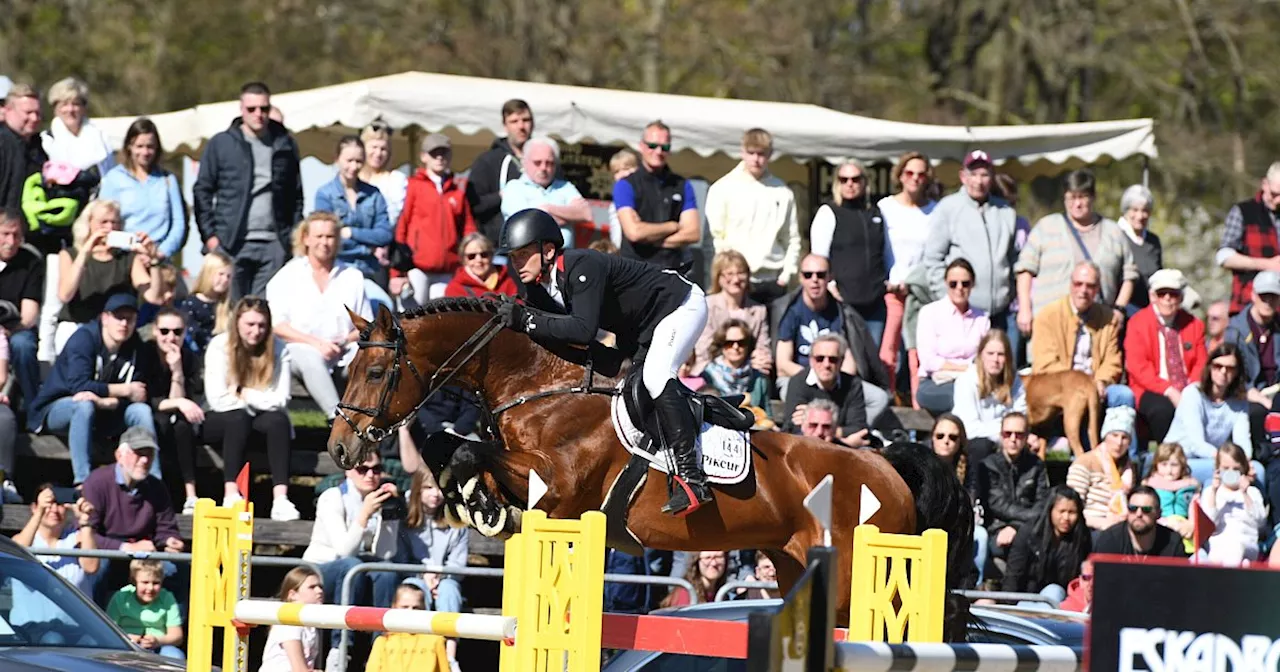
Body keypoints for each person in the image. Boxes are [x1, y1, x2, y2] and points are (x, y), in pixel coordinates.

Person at [500, 208, 738, 516]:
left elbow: (583, 330)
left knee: (655, 377)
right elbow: (549, 332)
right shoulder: (537, 288)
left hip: (679, 306)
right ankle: (709, 413)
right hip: (640, 328)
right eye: (513, 256)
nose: (515, 263)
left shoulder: (580, 265)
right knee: (631, 392)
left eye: (522, 254)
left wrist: (527, 320)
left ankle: (692, 479)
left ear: (548, 250)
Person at [28, 293, 158, 485]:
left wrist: (105, 401)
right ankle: (83, 482)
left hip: (105, 411)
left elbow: (138, 394)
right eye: (118, 317)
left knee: (142, 411)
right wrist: (123, 390)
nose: (124, 324)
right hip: (59, 408)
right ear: (105, 318)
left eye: (129, 319)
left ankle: (154, 481)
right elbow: (78, 385)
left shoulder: (135, 346)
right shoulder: (85, 338)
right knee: (84, 405)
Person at [193, 82, 304, 298]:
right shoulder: (222, 144)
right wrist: (210, 236)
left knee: (265, 313)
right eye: (251, 109)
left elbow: (296, 195)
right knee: (231, 313)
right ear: (241, 109)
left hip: (275, 243)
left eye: (264, 108)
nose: (258, 114)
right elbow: (202, 191)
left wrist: (292, 237)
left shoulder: (285, 144)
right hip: (232, 243)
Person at [265, 212, 372, 418]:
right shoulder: (288, 275)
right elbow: (278, 325)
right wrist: (316, 343)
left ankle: (379, 432)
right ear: (306, 238)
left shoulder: (352, 277)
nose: (324, 242)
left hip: (343, 350)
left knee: (371, 363)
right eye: (319, 236)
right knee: (309, 358)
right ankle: (339, 420)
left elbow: (365, 326)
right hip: (300, 349)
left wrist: (342, 342)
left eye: (330, 237)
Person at [204, 297, 298, 520]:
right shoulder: (219, 346)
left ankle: (281, 499)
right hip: (223, 420)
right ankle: (230, 493)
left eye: (262, 325)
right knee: (238, 418)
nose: (256, 331)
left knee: (279, 421)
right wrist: (258, 400)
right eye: (250, 324)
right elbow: (217, 399)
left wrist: (244, 393)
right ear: (237, 322)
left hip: (260, 418)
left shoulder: (279, 349)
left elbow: (281, 400)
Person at [772, 253, 892, 423]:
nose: (815, 280)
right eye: (808, 275)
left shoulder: (840, 311)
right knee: (791, 394)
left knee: (879, 398)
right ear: (800, 278)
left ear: (830, 277)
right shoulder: (790, 310)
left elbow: (849, 363)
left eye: (820, 275)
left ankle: (841, 431)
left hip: (835, 378)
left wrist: (830, 379)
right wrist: (817, 377)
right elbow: (783, 365)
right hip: (798, 378)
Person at [922, 150, 1020, 354]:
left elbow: (1014, 260)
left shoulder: (1006, 212)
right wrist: (950, 297)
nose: (979, 181)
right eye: (973, 174)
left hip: (1001, 312)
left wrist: (1011, 293)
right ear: (963, 177)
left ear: (992, 177)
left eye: (984, 174)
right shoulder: (948, 208)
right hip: (965, 313)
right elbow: (933, 259)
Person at [1016, 169, 1137, 322]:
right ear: (1064, 198)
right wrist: (1025, 309)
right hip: (1049, 322)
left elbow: (1129, 275)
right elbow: (1025, 270)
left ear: (1093, 197)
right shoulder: (1046, 227)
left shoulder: (1114, 232)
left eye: (1083, 197)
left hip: (1098, 324)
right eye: (1072, 197)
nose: (1077, 204)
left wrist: (1119, 309)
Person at [54, 199, 168, 352]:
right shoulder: (70, 255)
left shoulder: (128, 258)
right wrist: (86, 252)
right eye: (104, 222)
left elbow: (154, 297)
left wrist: (154, 262)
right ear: (89, 223)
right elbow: (65, 295)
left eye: (115, 223)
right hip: (78, 325)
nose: (110, 227)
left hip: (117, 330)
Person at [302, 450, 404, 621]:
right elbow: (345, 552)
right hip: (319, 569)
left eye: (376, 469)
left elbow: (384, 554)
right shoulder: (332, 497)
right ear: (348, 470)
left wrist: (390, 512)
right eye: (362, 469)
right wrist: (364, 514)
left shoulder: (380, 497)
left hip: (357, 566)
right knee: (351, 565)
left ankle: (380, 642)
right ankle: (340, 643)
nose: (370, 475)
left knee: (387, 573)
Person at [705, 128, 799, 304]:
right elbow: (716, 237)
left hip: (773, 280)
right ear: (742, 152)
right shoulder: (723, 188)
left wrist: (786, 275)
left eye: (761, 154)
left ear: (770, 154)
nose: (756, 159)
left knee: (773, 332)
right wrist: (727, 273)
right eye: (751, 153)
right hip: (736, 280)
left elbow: (791, 238)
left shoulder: (782, 191)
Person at [1030, 261, 1134, 414]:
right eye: (1078, 284)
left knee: (1124, 396)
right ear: (1070, 285)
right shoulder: (1048, 316)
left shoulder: (1108, 318)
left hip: (1097, 385)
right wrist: (1082, 384)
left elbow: (1112, 361)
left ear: (1097, 289)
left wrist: (1100, 381)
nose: (1083, 290)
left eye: (1090, 286)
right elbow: (1044, 363)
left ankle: (1117, 438)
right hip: (1059, 387)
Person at [810, 158, 889, 345]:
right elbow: (819, 257)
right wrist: (830, 287)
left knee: (873, 363)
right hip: (842, 303)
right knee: (845, 359)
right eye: (844, 180)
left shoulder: (876, 213)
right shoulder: (828, 212)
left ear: (864, 181)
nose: (850, 184)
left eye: (855, 179)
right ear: (837, 183)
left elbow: (885, 252)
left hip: (875, 303)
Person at [1124, 268, 1207, 443]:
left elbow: (1201, 363)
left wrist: (1190, 390)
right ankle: (1168, 458)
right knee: (1162, 409)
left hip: (1189, 388)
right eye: (1162, 294)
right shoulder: (1138, 323)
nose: (1168, 299)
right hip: (1151, 388)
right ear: (1153, 296)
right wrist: (1168, 390)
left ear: (1181, 297)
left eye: (1173, 294)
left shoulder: (1194, 325)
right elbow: (1137, 367)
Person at [393, 133, 476, 305]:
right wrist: (397, 273)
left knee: (442, 323)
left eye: (443, 153)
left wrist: (470, 263)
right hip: (416, 268)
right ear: (423, 156)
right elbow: (402, 227)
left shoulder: (457, 190)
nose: (439, 157)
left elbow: (469, 230)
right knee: (411, 322)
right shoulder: (413, 185)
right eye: (434, 153)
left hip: (448, 270)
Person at [10, 483, 100, 635]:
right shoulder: (26, 539)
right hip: (30, 631)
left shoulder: (77, 538)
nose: (53, 510)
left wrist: (85, 521)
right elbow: (15, 554)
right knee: (52, 639)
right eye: (48, 504)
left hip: (76, 631)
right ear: (34, 507)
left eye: (58, 504)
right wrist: (39, 513)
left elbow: (91, 567)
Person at [313, 135, 394, 303]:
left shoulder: (374, 194)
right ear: (337, 160)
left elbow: (385, 234)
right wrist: (368, 248)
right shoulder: (325, 194)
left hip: (370, 270)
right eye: (349, 160)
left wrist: (350, 232)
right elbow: (327, 238)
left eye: (358, 161)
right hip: (338, 268)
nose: (353, 166)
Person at [138, 307, 203, 514]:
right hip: (147, 412)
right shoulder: (144, 354)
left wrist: (177, 371)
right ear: (155, 331)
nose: (171, 337)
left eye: (177, 332)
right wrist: (179, 403)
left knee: (183, 426)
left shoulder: (189, 358)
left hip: (175, 416)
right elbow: (146, 399)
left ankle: (191, 495)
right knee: (162, 422)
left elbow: (182, 400)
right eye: (165, 331)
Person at [402, 464, 468, 664]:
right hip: (412, 576)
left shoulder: (457, 521)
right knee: (416, 590)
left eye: (440, 488)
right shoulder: (405, 519)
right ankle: (415, 653)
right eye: (428, 488)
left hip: (444, 579)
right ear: (417, 490)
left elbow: (458, 563)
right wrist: (424, 577)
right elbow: (400, 559)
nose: (436, 494)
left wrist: (440, 578)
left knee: (449, 590)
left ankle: (449, 657)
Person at [877, 152, 936, 372]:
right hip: (891, 290)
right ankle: (887, 397)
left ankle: (917, 402)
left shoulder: (935, 211)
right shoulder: (885, 207)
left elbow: (934, 255)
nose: (915, 178)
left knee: (918, 353)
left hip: (920, 292)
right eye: (909, 173)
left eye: (921, 174)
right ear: (900, 176)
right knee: (888, 351)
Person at [613, 121, 701, 271]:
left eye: (664, 147)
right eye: (652, 146)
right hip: (634, 273)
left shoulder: (682, 185)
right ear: (641, 146)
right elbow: (634, 232)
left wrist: (650, 239)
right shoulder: (626, 185)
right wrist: (672, 226)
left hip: (672, 273)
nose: (658, 151)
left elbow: (693, 233)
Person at [1165, 343, 1255, 485]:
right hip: (1180, 460)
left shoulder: (1239, 402)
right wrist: (1227, 460)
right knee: (1220, 474)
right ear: (1210, 367)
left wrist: (1245, 461)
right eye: (1218, 366)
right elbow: (1196, 444)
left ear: (1237, 372)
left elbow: (1243, 440)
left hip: (1216, 460)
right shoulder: (1193, 394)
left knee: (1258, 471)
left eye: (1230, 368)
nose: (1223, 372)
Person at [98, 118, 186, 259]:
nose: (145, 152)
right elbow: (102, 221)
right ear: (129, 147)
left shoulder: (167, 180)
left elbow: (178, 223)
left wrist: (160, 253)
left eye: (150, 146)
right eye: (139, 146)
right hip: (123, 257)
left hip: (158, 256)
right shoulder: (114, 179)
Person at [915, 259, 990, 414]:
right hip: (935, 383)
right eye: (953, 284)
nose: (959, 288)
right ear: (946, 283)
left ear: (973, 284)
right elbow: (929, 361)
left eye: (965, 283)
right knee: (965, 396)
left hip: (973, 382)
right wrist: (965, 368)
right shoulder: (930, 313)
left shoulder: (982, 318)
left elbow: (985, 359)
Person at [1002, 487, 1089, 605]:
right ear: (1051, 510)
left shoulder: (1082, 538)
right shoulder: (1029, 533)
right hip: (1025, 599)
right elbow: (1014, 574)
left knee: (1054, 591)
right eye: (1061, 511)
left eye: (1071, 512)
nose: (1066, 518)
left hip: (1058, 601)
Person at [499, 136, 591, 249]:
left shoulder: (565, 187)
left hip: (564, 258)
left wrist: (548, 209)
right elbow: (529, 224)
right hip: (528, 259)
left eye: (550, 163)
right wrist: (568, 216)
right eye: (537, 162)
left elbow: (586, 214)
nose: (543, 168)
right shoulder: (514, 188)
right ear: (524, 162)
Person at [980, 412, 1050, 560]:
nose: (1013, 439)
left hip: (1029, 527)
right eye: (1008, 433)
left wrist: (1017, 526)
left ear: (1026, 437)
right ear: (1001, 435)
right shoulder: (988, 465)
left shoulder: (1037, 465)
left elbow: (1042, 502)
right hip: (997, 527)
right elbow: (998, 504)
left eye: (1019, 434)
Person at [780, 333, 869, 448]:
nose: (826, 364)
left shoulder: (853, 384)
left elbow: (858, 428)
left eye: (833, 359)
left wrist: (814, 423)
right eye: (820, 358)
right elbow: (793, 426)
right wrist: (841, 438)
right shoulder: (798, 382)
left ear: (841, 362)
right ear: (811, 360)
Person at [692, 250, 772, 377]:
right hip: (711, 373)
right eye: (729, 274)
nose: (736, 279)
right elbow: (704, 349)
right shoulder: (707, 306)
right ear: (718, 278)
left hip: (748, 373)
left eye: (741, 273)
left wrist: (760, 359)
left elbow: (763, 347)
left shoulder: (759, 310)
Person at [465, 99, 534, 244]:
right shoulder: (488, 161)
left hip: (536, 243)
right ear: (505, 125)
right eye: (514, 121)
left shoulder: (545, 159)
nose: (521, 126)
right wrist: (502, 195)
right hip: (498, 248)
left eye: (526, 120)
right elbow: (474, 204)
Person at [1216, 162, 1280, 315]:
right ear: (1264, 184)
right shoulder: (1243, 212)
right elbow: (1224, 257)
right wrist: (1267, 264)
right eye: (1275, 194)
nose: (1279, 200)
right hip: (1248, 305)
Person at [952, 330, 1028, 451]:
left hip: (1008, 440)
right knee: (982, 446)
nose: (995, 359)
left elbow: (1021, 418)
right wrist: (1003, 431)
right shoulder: (966, 381)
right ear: (981, 355)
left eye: (1001, 354)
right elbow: (970, 429)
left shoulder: (1015, 381)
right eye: (990, 353)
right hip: (973, 444)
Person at [1067, 406, 1139, 530]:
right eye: (1114, 435)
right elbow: (1072, 506)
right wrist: (1102, 523)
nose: (1119, 443)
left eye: (1124, 437)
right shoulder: (1086, 462)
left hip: (1122, 526)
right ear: (1105, 436)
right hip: (1090, 527)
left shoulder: (1129, 469)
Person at [0, 208, 44, 406]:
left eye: (16, 235)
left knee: (23, 346)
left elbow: (29, 316)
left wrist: (7, 331)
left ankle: (33, 408)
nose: (11, 241)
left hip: (16, 327)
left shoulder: (31, 262)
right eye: (5, 234)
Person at [1201, 442, 1268, 566]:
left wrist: (1245, 493)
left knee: (1235, 547)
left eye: (1236, 469)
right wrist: (1214, 493)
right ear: (1218, 469)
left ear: (1243, 469)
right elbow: (1209, 525)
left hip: (1246, 543)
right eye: (1226, 468)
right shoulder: (1210, 492)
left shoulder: (1252, 492)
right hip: (1218, 546)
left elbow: (1261, 522)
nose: (1231, 472)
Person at [106, 559, 184, 660]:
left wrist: (157, 641)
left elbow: (177, 636)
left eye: (156, 583)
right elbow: (108, 630)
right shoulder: (121, 597)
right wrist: (126, 638)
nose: (150, 588)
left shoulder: (167, 598)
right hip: (125, 645)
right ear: (134, 581)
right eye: (145, 582)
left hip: (159, 646)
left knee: (176, 656)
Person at [366, 584, 451, 672]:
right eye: (405, 607)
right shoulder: (383, 642)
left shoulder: (435, 641)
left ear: (424, 609)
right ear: (394, 607)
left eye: (416, 608)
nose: (410, 611)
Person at [39, 77, 115, 176]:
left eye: (76, 104)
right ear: (55, 109)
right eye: (64, 104)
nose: (70, 109)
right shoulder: (46, 140)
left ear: (84, 108)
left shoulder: (100, 136)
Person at [258, 567, 325, 672]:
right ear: (293, 595)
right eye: (312, 587)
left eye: (320, 587)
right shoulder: (289, 622)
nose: (319, 591)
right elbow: (299, 669)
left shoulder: (310, 624)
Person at [1092, 486, 1190, 557]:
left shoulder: (1172, 542)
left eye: (1146, 510)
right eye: (1133, 508)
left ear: (1158, 514)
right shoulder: (1110, 539)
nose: (1138, 514)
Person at [701, 319, 770, 408]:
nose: (735, 347)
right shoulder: (707, 376)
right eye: (729, 343)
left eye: (741, 343)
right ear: (721, 344)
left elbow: (767, 414)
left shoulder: (759, 379)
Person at [1116, 184, 1162, 315]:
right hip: (1122, 311)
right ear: (1125, 210)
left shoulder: (1153, 242)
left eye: (1145, 210)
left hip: (1150, 311)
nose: (1140, 216)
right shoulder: (1116, 237)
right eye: (1135, 210)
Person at [177, 249, 233, 353]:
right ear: (208, 273)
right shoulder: (191, 304)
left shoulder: (229, 305)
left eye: (228, 276)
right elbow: (193, 336)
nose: (225, 280)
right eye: (221, 274)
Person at [1142, 442, 1199, 540]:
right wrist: (1166, 523)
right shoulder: (1149, 486)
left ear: (1182, 466)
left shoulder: (1190, 487)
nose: (1169, 470)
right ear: (1156, 465)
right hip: (1158, 529)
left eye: (1174, 465)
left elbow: (1195, 508)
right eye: (1164, 464)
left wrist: (1191, 524)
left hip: (1185, 529)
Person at [359, 120, 409, 226]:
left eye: (383, 149)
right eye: (374, 147)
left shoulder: (395, 179)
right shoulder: (353, 177)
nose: (378, 153)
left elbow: (393, 217)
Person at [443, 232, 517, 298]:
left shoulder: (509, 279)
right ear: (463, 259)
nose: (478, 260)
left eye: (484, 255)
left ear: (491, 256)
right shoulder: (455, 289)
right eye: (471, 256)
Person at [660, 550, 729, 607]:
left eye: (718, 557)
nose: (714, 563)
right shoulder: (686, 593)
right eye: (707, 558)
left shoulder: (723, 591)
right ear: (697, 562)